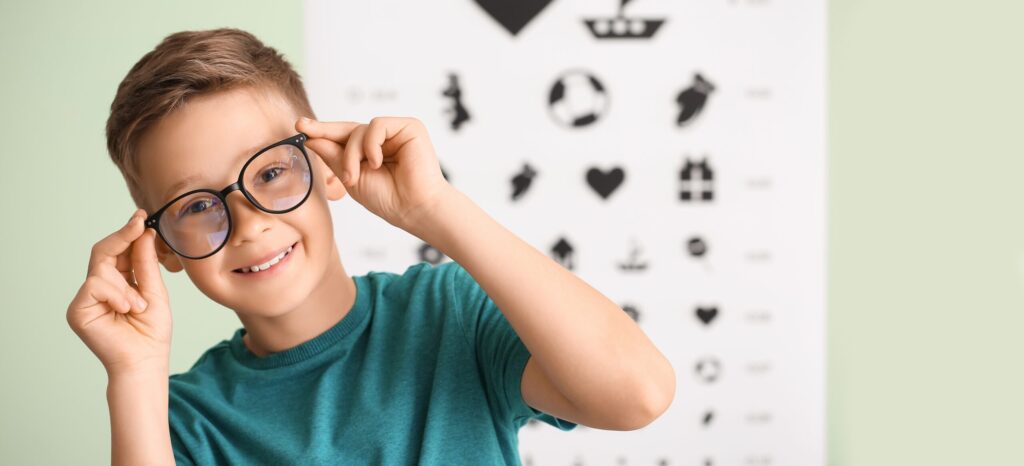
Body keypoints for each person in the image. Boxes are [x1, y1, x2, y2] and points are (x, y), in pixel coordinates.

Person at [66, 27, 675, 465]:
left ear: (328, 167)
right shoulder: (183, 421)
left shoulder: (448, 315)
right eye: (198, 205)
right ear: (163, 247)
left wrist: (436, 209)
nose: (248, 221)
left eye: (271, 172)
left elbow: (638, 395)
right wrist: (135, 373)